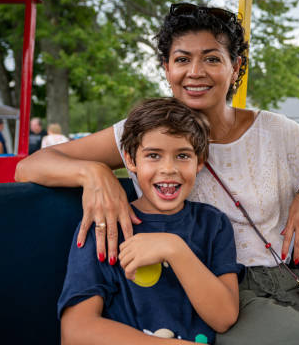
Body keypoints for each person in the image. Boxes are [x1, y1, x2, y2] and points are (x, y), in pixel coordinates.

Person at [15, 3, 299, 344]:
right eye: (181, 59)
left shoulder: (276, 132)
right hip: (178, 284)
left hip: (256, 283)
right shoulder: (145, 130)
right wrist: (93, 174)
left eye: (211, 58)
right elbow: (29, 166)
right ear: (166, 68)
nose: (195, 72)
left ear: (234, 68)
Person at [59, 98, 242, 344]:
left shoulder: (213, 224)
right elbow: (75, 331)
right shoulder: (104, 226)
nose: (168, 168)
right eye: (154, 155)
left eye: (183, 156)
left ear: (200, 162)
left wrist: (174, 248)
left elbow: (224, 317)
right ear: (131, 160)